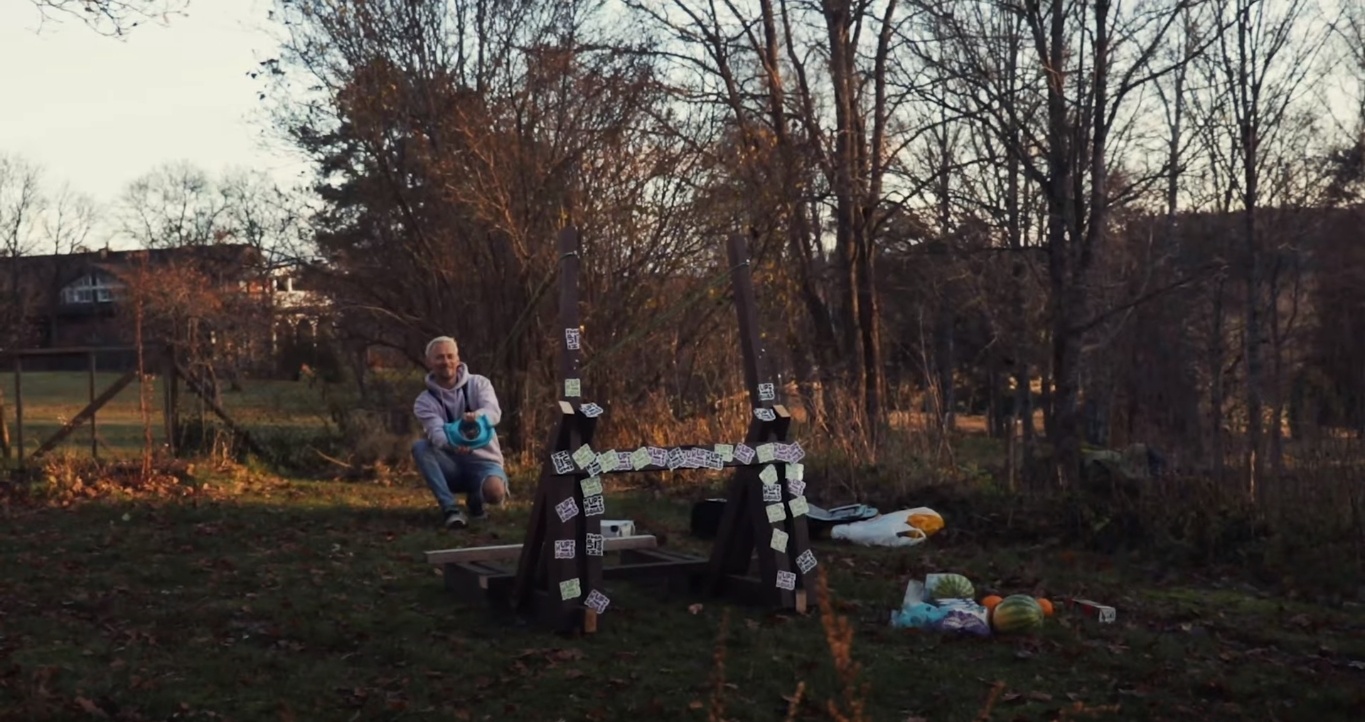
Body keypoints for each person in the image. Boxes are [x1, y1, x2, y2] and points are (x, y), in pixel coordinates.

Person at [412, 336, 509, 529]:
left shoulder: (479, 383)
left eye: (450, 356)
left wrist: (477, 417)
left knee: (495, 493)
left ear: (458, 359)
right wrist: (453, 445)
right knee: (421, 447)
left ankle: (476, 499)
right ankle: (450, 510)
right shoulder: (424, 401)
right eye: (439, 357)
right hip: (452, 464)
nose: (446, 362)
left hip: (485, 462)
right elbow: (436, 433)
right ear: (429, 362)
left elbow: (494, 413)